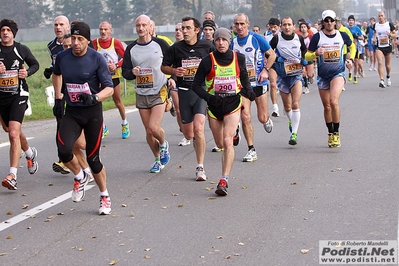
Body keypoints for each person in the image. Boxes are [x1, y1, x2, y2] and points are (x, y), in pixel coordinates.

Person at [52, 22, 114, 215]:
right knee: (63, 151)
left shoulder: (96, 59)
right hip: (72, 111)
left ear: (88, 40)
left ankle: (104, 196)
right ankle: (79, 176)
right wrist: (57, 98)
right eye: (74, 39)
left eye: (80, 39)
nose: (76, 43)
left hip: (92, 113)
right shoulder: (62, 57)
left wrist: (94, 97)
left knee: (93, 160)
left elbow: (109, 88)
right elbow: (56, 75)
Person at [191, 28, 255, 195]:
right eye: (218, 40)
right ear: (215, 42)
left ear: (229, 41)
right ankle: (234, 134)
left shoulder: (238, 58)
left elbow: (244, 78)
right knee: (220, 144)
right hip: (214, 105)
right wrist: (209, 98)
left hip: (233, 103)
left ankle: (223, 180)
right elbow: (196, 85)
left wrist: (249, 91)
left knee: (227, 142)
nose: (220, 43)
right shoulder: (207, 61)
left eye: (224, 40)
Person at [161, 16, 215, 181]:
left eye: (187, 28)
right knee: (189, 133)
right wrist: (174, 72)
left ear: (196, 30)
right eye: (182, 28)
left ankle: (200, 167)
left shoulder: (207, 46)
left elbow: (217, 63)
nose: (184, 31)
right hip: (183, 92)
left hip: (200, 91)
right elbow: (164, 67)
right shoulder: (176, 48)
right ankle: (193, 141)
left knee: (199, 129)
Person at [122, 15, 171, 173]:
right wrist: (132, 72)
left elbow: (172, 63)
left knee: (153, 127)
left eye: (144, 25)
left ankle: (163, 144)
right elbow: (125, 72)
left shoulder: (160, 44)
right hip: (141, 92)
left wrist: (173, 79)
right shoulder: (131, 48)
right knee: (149, 132)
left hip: (159, 90)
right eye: (138, 26)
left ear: (150, 27)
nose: (141, 28)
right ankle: (157, 159)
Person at [305, 10, 355, 148]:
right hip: (322, 76)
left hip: (338, 73)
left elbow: (352, 45)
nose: (329, 23)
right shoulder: (317, 37)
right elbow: (307, 56)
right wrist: (315, 53)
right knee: (327, 106)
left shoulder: (342, 35)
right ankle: (330, 133)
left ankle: (337, 133)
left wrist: (350, 59)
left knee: (333, 101)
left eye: (331, 20)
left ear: (335, 22)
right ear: (322, 23)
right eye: (326, 21)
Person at [231, 13, 276, 162]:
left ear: (248, 24)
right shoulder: (232, 43)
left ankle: (267, 119)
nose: (239, 27)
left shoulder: (257, 39)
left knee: (261, 117)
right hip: (243, 85)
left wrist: (266, 70)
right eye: (237, 24)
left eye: (242, 24)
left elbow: (272, 55)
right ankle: (251, 149)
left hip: (259, 82)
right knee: (245, 117)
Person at [0, 18, 39, 190]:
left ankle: (12, 176)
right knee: (10, 129)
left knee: (13, 134)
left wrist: (26, 72)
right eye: (2, 30)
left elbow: (35, 64)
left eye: (8, 30)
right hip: (1, 98)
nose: (5, 32)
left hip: (19, 95)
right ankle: (30, 154)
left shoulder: (21, 49)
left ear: (13, 33)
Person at [270, 17, 307, 145]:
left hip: (296, 75)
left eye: (289, 25)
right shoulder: (276, 39)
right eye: (284, 25)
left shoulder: (299, 38)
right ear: (281, 26)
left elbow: (304, 51)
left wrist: (303, 60)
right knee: (287, 107)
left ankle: (294, 134)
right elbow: (268, 53)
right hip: (282, 76)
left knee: (295, 104)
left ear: (293, 26)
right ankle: (291, 120)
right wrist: (276, 60)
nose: (287, 27)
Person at [92, 21, 130, 139]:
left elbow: (126, 57)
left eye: (105, 29)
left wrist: (116, 65)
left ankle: (125, 123)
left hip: (113, 76)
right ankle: (103, 127)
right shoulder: (95, 43)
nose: (103, 32)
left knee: (117, 101)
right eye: (101, 29)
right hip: (99, 77)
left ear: (110, 30)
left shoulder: (115, 42)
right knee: (97, 102)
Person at [46, 15, 71, 175]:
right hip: (61, 88)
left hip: (77, 87)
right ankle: (64, 159)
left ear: (68, 26)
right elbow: (56, 64)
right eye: (55, 24)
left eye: (61, 24)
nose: (58, 27)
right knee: (60, 122)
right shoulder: (52, 46)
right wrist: (50, 69)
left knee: (77, 122)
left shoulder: (76, 41)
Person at [170, 22, 190, 147]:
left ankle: (191, 131)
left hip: (190, 83)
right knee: (179, 110)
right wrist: (170, 78)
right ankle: (185, 135)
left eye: (181, 29)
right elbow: (167, 65)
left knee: (190, 110)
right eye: (176, 29)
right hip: (176, 82)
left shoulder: (191, 46)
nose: (178, 31)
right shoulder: (172, 48)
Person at [372, 11, 397, 88]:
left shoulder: (389, 24)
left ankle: (388, 77)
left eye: (382, 15)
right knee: (379, 62)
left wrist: (390, 35)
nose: (380, 17)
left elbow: (395, 35)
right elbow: (375, 33)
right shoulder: (375, 25)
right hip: (379, 46)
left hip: (387, 46)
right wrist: (374, 39)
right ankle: (381, 80)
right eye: (379, 16)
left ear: (384, 16)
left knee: (387, 65)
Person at [264, 18, 281, 117]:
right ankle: (275, 107)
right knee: (273, 84)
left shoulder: (284, 35)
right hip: (274, 64)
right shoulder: (267, 37)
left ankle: (289, 108)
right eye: (271, 27)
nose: (273, 29)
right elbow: (266, 52)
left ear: (279, 27)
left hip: (285, 65)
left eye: (275, 27)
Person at [346, 15, 365, 84]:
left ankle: (355, 76)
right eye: (349, 20)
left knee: (356, 63)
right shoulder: (346, 29)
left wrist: (356, 36)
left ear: (354, 21)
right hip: (348, 48)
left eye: (352, 20)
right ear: (348, 21)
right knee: (349, 62)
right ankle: (350, 72)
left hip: (356, 47)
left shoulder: (357, 28)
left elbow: (362, 38)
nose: (351, 21)